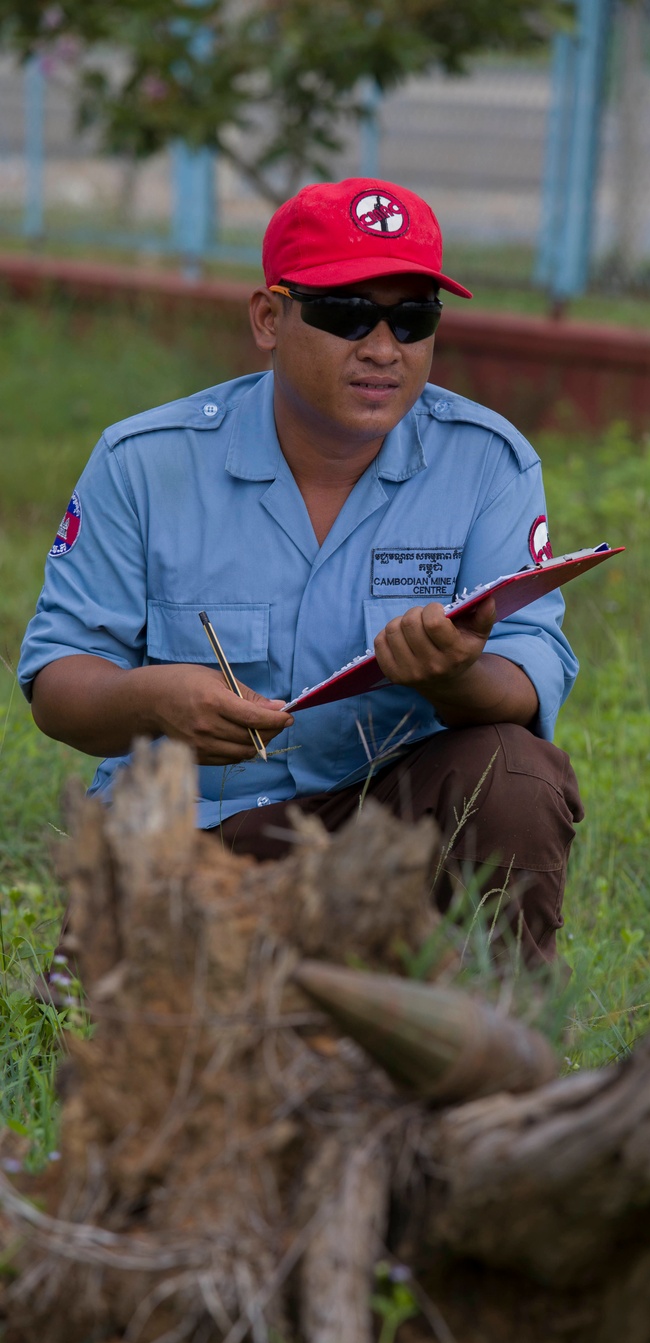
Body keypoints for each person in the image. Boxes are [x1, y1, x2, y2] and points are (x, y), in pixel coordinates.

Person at [19, 178, 582, 967]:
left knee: (515, 771)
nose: (384, 348)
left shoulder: (486, 463)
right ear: (268, 318)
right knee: (151, 1059)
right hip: (202, 831)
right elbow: (57, 680)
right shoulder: (146, 464)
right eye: (347, 313)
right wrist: (151, 700)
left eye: (413, 318)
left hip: (386, 825)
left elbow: (529, 671)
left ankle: (498, 1036)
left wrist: (453, 675)